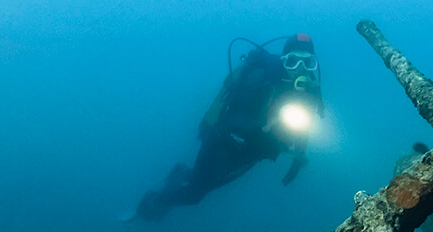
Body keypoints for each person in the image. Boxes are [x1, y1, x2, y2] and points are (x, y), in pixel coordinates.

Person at [130, 33, 324, 221]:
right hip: (222, 142)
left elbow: (304, 125)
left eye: (307, 63)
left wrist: (298, 159)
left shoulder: (310, 91)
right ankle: (150, 203)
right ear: (283, 60)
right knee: (194, 196)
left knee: (211, 183)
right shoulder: (261, 77)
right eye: (292, 61)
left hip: (254, 152)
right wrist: (263, 128)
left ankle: (179, 173)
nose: (300, 68)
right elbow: (230, 117)